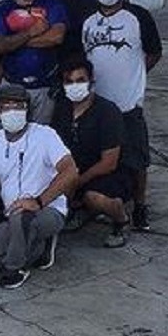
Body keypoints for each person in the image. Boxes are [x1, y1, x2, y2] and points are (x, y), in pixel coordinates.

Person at [0, 86, 77, 290]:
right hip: (12, 214)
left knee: (22, 216)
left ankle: (16, 268)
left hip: (47, 210)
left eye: (19, 106)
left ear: (28, 110)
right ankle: (39, 247)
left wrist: (39, 201)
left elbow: (70, 171)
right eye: (6, 107)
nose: (12, 111)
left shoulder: (45, 135)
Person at [82, 0, 163, 232]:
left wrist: (136, 76)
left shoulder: (138, 16)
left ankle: (139, 206)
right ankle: (104, 202)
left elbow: (153, 52)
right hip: (98, 104)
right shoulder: (88, 21)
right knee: (99, 157)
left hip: (128, 103)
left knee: (137, 158)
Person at [52, 56, 130, 247]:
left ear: (91, 82)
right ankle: (79, 210)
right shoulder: (61, 109)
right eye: (69, 82)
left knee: (94, 198)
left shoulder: (107, 112)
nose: (74, 86)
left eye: (80, 80)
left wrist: (76, 182)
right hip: (71, 170)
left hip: (104, 173)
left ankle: (121, 220)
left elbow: (109, 162)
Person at [0, 0, 67, 125]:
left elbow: (56, 37)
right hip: (11, 84)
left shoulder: (51, 4)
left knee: (41, 136)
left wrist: (12, 42)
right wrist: (31, 32)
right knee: (7, 132)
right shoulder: (1, 10)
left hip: (44, 85)